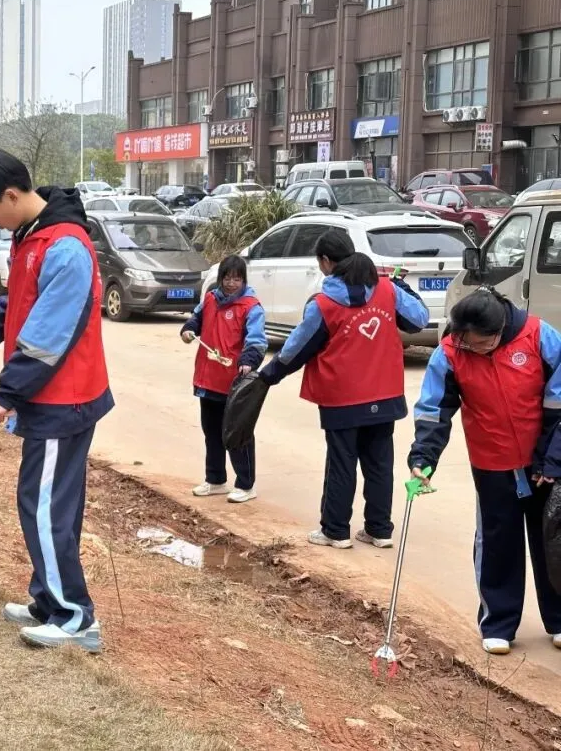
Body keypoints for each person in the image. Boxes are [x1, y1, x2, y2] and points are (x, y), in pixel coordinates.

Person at [0, 148, 114, 654]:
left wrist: (6, 394)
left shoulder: (65, 246)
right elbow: (22, 299)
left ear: (10, 195)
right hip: (52, 398)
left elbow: (48, 334)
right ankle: (48, 600)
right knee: (50, 503)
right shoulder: (32, 235)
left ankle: (74, 616)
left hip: (64, 399)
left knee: (44, 504)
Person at [409, 288, 561, 655]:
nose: (475, 350)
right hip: (492, 462)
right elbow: (433, 410)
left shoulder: (540, 336)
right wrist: (423, 458)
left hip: (545, 462)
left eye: (483, 343)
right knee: (497, 542)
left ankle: (559, 619)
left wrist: (553, 459)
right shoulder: (450, 352)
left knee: (553, 539)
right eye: (468, 343)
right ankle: (499, 623)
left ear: (500, 329)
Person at [258, 229, 429, 549]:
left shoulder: (323, 304)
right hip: (386, 394)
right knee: (380, 464)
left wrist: (268, 375)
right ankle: (379, 530)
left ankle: (335, 531)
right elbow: (419, 319)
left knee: (341, 463)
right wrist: (400, 286)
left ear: (325, 261)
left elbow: (296, 348)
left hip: (342, 399)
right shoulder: (387, 290)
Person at [180, 255, 267, 502]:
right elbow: (196, 319)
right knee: (211, 431)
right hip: (208, 379)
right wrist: (188, 330)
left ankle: (246, 484)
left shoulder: (251, 307)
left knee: (237, 433)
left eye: (236, 279)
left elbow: (257, 341)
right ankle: (215, 479)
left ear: (244, 280)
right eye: (227, 278)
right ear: (220, 278)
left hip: (234, 383)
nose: (231, 284)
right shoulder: (210, 299)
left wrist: (248, 361)